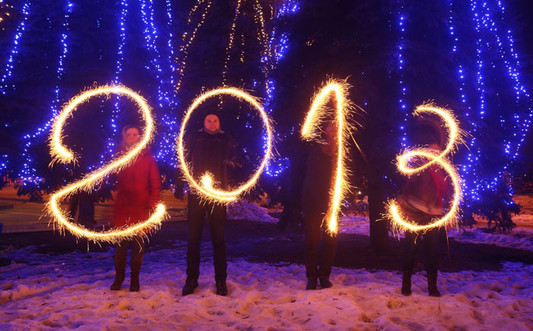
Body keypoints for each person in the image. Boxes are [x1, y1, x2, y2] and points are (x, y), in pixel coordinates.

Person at [182, 113, 235, 296]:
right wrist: (180, 184)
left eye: (215, 120)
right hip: (197, 192)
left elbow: (235, 160)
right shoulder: (195, 137)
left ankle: (221, 280)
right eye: (209, 120)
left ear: (219, 122)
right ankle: (191, 279)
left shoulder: (225, 139)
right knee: (193, 239)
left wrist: (233, 165)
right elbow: (183, 160)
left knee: (218, 239)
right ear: (203, 122)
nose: (212, 124)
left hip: (217, 194)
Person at [398, 119, 451, 297]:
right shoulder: (419, 168)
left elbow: (447, 193)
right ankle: (406, 285)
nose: (435, 154)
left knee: (431, 252)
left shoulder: (443, 172)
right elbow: (407, 186)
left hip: (434, 215)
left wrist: (447, 214)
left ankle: (432, 287)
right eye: (431, 151)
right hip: (415, 213)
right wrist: (403, 203)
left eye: (437, 151)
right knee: (410, 250)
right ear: (427, 152)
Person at [110, 125, 161, 292]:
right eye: (129, 134)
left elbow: (155, 183)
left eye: (135, 134)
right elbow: (111, 176)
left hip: (141, 207)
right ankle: (119, 278)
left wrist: (152, 204)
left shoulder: (148, 158)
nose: (132, 137)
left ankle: (134, 278)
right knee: (121, 247)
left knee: (138, 247)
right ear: (125, 136)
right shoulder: (119, 155)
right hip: (123, 207)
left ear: (140, 137)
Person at [301, 121, 338, 290]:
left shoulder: (341, 150)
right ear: (324, 129)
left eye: (336, 125)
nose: (334, 127)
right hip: (313, 199)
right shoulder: (315, 147)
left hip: (332, 201)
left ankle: (324, 276)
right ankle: (312, 277)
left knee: (330, 241)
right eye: (330, 125)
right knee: (312, 240)